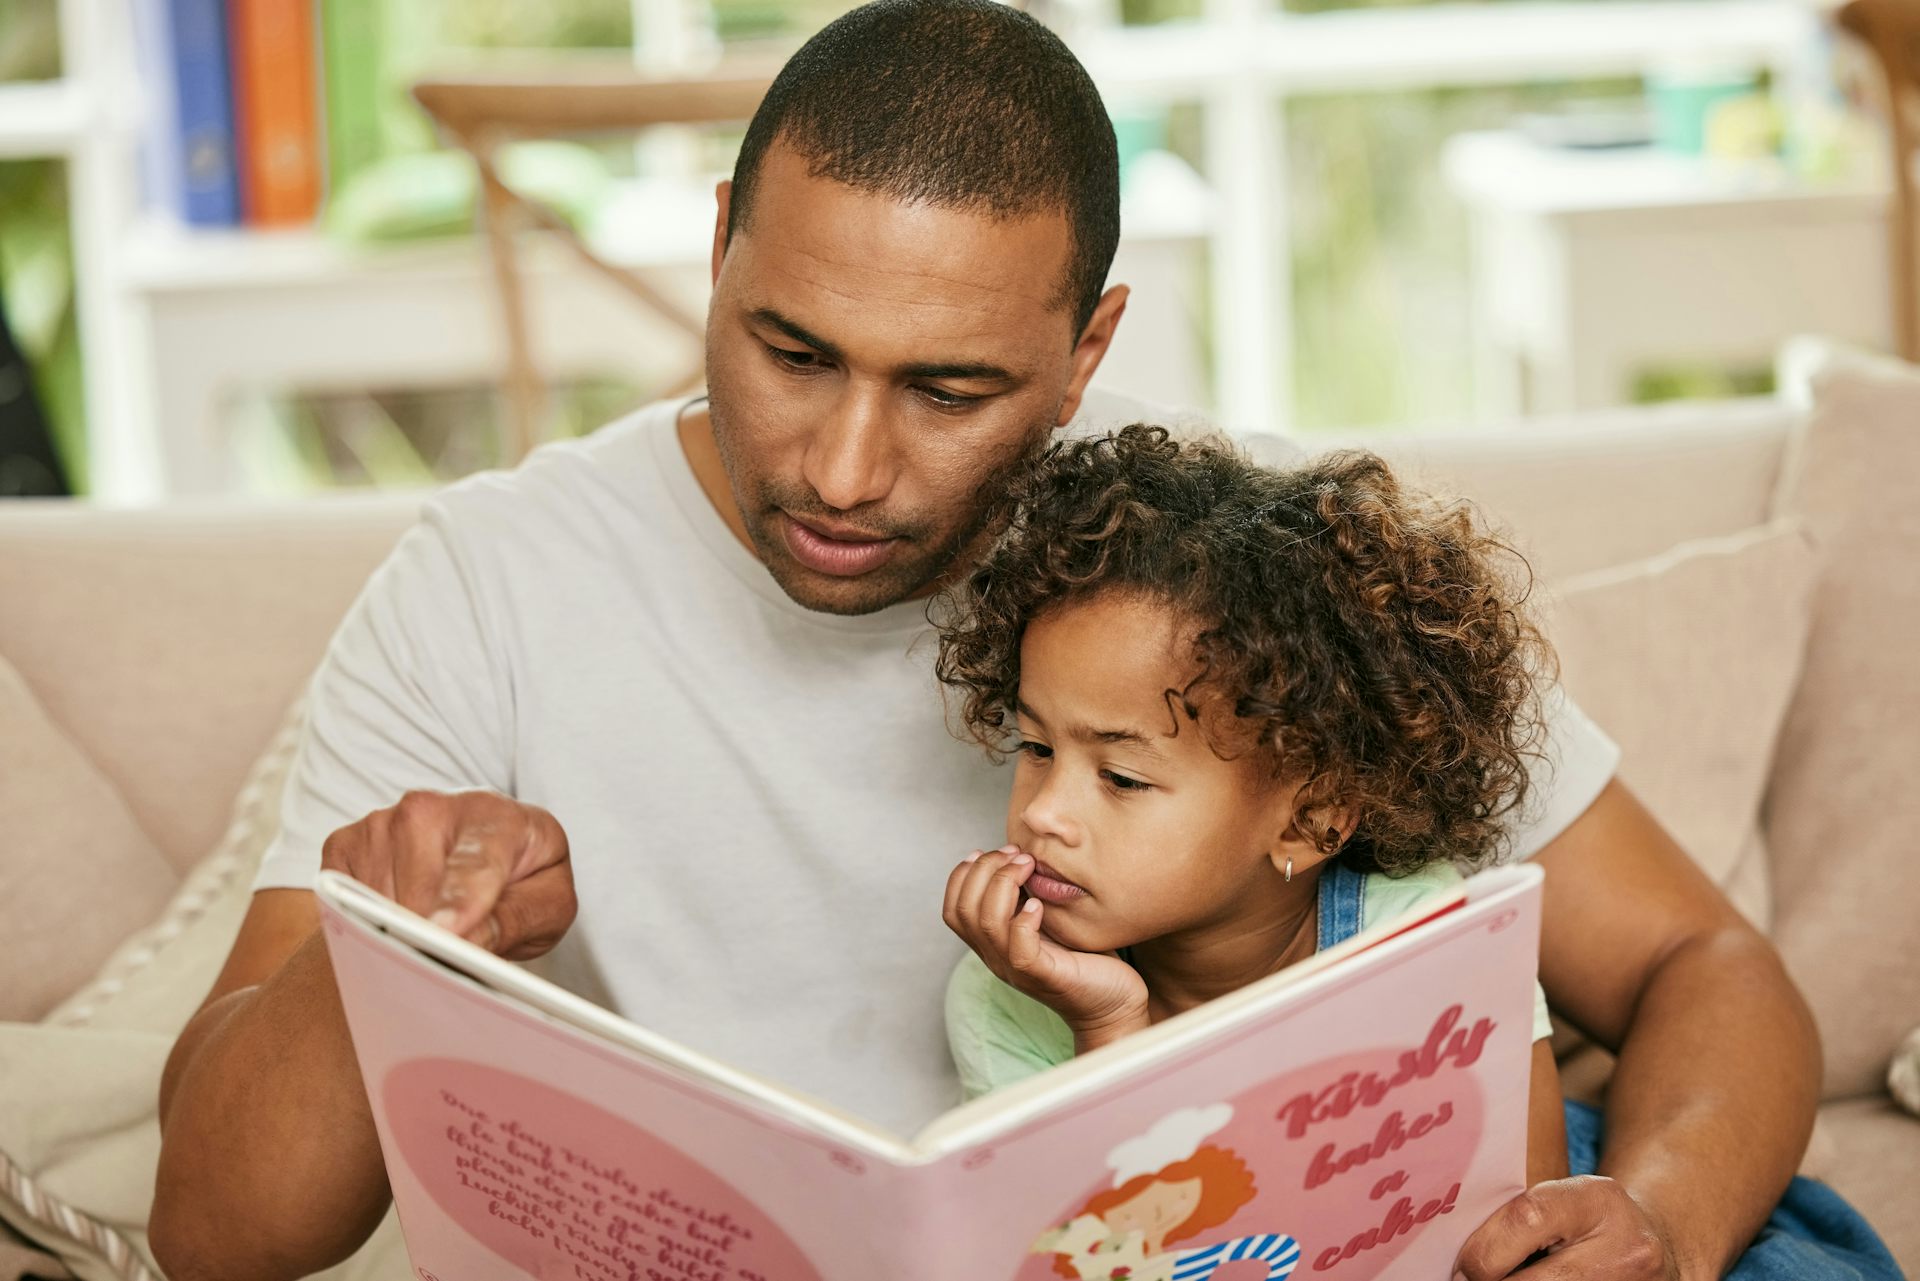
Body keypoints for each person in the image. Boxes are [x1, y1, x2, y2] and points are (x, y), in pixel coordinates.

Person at [148, 1, 1873, 1278]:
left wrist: (1650, 1218)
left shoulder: (1234, 577)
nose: (840, 468)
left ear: (1089, 342)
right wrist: (400, 944)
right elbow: (215, 1235)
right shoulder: (489, 581)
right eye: (790, 349)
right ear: (719, 251)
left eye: (950, 389)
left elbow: (1705, 972)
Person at [935, 427, 1571, 1190]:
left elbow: (1532, 1226)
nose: (1044, 815)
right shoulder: (1009, 1000)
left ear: (1314, 817)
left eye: (1123, 777)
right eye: (1036, 748)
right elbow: (1109, 1254)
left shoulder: (1430, 943)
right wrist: (1107, 1024)